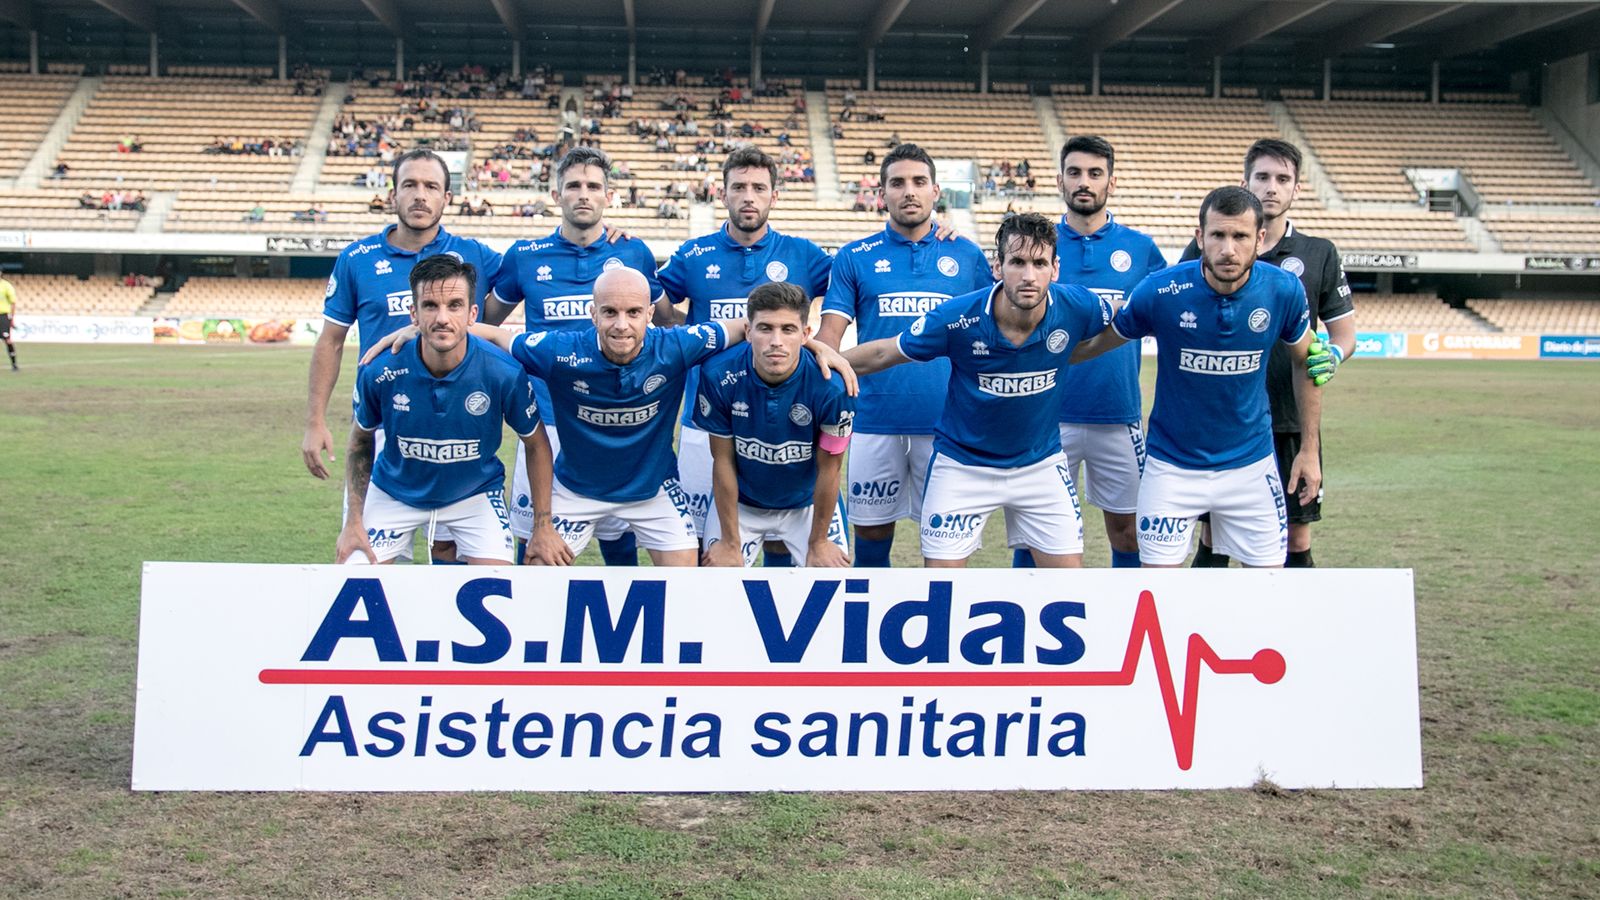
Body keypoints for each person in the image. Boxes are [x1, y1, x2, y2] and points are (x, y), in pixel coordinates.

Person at [374, 268, 856, 566]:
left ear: (650, 313)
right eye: (609, 312)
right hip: (576, 489)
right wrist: (420, 330)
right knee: (538, 566)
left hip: (651, 491)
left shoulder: (677, 346)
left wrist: (810, 344)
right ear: (592, 313)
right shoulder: (560, 351)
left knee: (693, 580)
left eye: (632, 312)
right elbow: (499, 337)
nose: (621, 324)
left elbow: (746, 328)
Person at [843, 213, 1112, 568]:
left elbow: (1125, 321)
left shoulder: (1079, 305)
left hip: (1039, 464)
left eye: (1039, 263)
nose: (1029, 276)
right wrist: (812, 366)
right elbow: (884, 352)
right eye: (1017, 262)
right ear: (997, 266)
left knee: (1066, 587)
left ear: (1055, 268)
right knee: (941, 591)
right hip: (962, 464)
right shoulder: (957, 318)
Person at [1073, 186, 1322, 568]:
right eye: (1218, 235)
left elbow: (1306, 364)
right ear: (1199, 237)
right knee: (1156, 592)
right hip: (1171, 467)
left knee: (1268, 591)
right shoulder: (1162, 291)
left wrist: (1308, 451)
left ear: (1258, 239)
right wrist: (1038, 352)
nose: (1228, 249)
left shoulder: (1283, 290)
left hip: (1251, 467)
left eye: (1240, 237)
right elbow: (1097, 343)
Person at [301, 148, 502, 562]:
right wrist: (315, 421)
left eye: (431, 187)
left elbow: (535, 275)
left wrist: (604, 235)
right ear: (392, 195)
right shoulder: (357, 259)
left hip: (457, 428)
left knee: (448, 559)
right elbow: (331, 342)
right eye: (409, 184)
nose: (420, 195)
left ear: (448, 198)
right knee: (367, 562)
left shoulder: (476, 256)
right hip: (379, 429)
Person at [481, 146, 662, 566]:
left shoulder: (634, 253)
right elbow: (486, 323)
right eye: (574, 185)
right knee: (535, 544)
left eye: (594, 186)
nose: (584, 194)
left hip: (614, 418)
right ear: (556, 193)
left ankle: (628, 627)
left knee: (619, 535)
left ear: (608, 195)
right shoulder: (524, 257)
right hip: (546, 421)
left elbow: (666, 324)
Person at [1179, 139, 1354, 568]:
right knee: (1215, 535)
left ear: (1296, 189)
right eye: (1262, 177)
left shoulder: (1319, 253)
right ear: (1245, 182)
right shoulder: (1214, 246)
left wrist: (1332, 353)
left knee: (1296, 538)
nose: (1271, 187)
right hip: (1225, 418)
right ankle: (1204, 632)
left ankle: (1287, 634)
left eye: (1282, 179)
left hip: (1290, 417)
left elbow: (1345, 334)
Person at [653, 146, 833, 560]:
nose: (748, 196)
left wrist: (821, 346)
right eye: (739, 187)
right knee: (707, 544)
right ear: (723, 193)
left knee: (779, 528)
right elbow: (660, 308)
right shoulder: (695, 254)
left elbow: (850, 291)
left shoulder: (803, 254)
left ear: (775, 195)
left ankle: (775, 620)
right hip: (706, 419)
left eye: (758, 187)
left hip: (785, 418)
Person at [816, 144, 991, 568]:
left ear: (936, 192)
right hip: (874, 423)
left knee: (947, 551)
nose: (908, 191)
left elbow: (990, 339)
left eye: (918, 182)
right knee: (872, 545)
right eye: (897, 183)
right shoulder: (854, 257)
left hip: (948, 427)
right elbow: (827, 343)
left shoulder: (967, 256)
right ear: (882, 194)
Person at [337, 254, 560, 566]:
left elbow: (536, 445)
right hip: (394, 491)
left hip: (474, 494)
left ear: (472, 313)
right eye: (430, 306)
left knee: (498, 587)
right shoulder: (380, 370)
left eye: (454, 305)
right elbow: (360, 442)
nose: (442, 317)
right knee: (354, 573)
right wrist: (353, 522)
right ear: (413, 314)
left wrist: (543, 525)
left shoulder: (503, 371)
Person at [1012, 136, 1166, 570]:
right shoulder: (1033, 247)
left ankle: (1128, 624)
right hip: (1045, 416)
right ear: (1059, 179)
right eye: (1075, 173)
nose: (1084, 182)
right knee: (1033, 536)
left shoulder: (1141, 249)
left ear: (1111, 183)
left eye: (1095, 174)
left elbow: (1167, 317)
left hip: (1117, 415)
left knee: (1129, 532)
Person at [694, 282, 854, 568]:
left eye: (788, 330)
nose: (776, 341)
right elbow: (723, 461)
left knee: (831, 578)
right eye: (765, 328)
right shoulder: (719, 375)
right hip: (741, 502)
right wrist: (730, 543)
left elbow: (831, 468)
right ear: (748, 332)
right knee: (717, 581)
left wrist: (818, 542)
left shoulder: (833, 388)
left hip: (807, 503)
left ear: (805, 334)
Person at [0, 274, 17, 371]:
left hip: (3, 316)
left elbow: (13, 303)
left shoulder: (6, 286)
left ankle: (14, 364)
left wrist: (11, 318)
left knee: (7, 340)